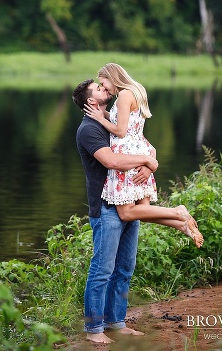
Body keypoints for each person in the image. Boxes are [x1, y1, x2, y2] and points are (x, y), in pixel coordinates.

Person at [85, 62, 203, 249]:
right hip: (139, 149)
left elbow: (121, 131)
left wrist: (100, 118)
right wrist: (104, 114)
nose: (104, 87)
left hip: (127, 155)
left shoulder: (124, 95)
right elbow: (127, 123)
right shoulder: (136, 90)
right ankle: (182, 225)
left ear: (112, 77)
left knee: (126, 213)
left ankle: (178, 212)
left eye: (103, 82)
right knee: (143, 211)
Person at [73, 78, 153, 344]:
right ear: (91, 101)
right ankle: (94, 330)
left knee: (125, 268)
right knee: (102, 270)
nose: (105, 89)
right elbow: (112, 161)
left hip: (126, 199)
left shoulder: (112, 121)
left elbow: (139, 143)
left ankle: (116, 323)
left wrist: (149, 164)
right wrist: (145, 160)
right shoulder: (89, 129)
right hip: (106, 207)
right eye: (99, 88)